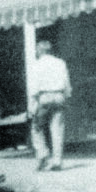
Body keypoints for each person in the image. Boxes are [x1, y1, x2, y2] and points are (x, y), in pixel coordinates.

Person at [27, 40, 72, 171]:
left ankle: (43, 155)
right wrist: (67, 96)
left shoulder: (36, 65)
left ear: (39, 51)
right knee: (57, 129)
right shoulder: (60, 63)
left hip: (44, 98)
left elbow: (33, 88)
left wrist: (32, 105)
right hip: (59, 97)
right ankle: (57, 161)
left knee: (37, 128)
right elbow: (66, 83)